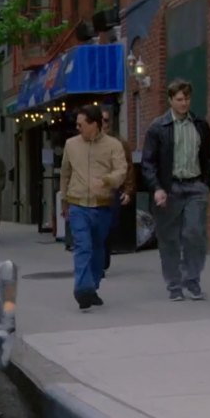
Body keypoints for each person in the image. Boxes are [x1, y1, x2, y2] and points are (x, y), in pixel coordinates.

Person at [141, 78, 210, 301]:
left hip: (195, 186)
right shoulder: (158, 127)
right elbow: (148, 163)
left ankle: (192, 280)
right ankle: (174, 285)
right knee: (170, 238)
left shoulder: (200, 125)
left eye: (187, 99)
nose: (184, 103)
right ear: (170, 100)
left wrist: (206, 183)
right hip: (169, 188)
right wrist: (156, 188)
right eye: (180, 99)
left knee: (194, 234)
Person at [60, 105, 127, 310]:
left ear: (94, 125)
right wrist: (64, 200)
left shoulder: (113, 146)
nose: (77, 127)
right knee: (83, 246)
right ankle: (82, 289)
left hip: (103, 206)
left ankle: (92, 286)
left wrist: (107, 181)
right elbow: (65, 173)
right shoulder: (71, 145)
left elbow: (121, 171)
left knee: (98, 249)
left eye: (81, 124)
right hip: (78, 204)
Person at [101, 110, 136, 276]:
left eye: (106, 120)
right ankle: (97, 262)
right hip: (92, 192)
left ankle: (103, 258)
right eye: (99, 120)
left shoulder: (119, 143)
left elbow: (128, 168)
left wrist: (128, 190)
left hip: (113, 191)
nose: (103, 124)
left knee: (110, 227)